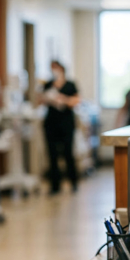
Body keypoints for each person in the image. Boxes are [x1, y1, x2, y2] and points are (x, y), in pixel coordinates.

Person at [41, 60, 81, 195]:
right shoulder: (47, 85)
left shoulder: (70, 85)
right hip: (51, 123)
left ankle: (73, 182)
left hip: (66, 124)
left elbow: (76, 101)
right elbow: (40, 100)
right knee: (52, 155)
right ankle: (55, 186)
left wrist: (63, 99)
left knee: (68, 153)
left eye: (55, 68)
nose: (53, 71)